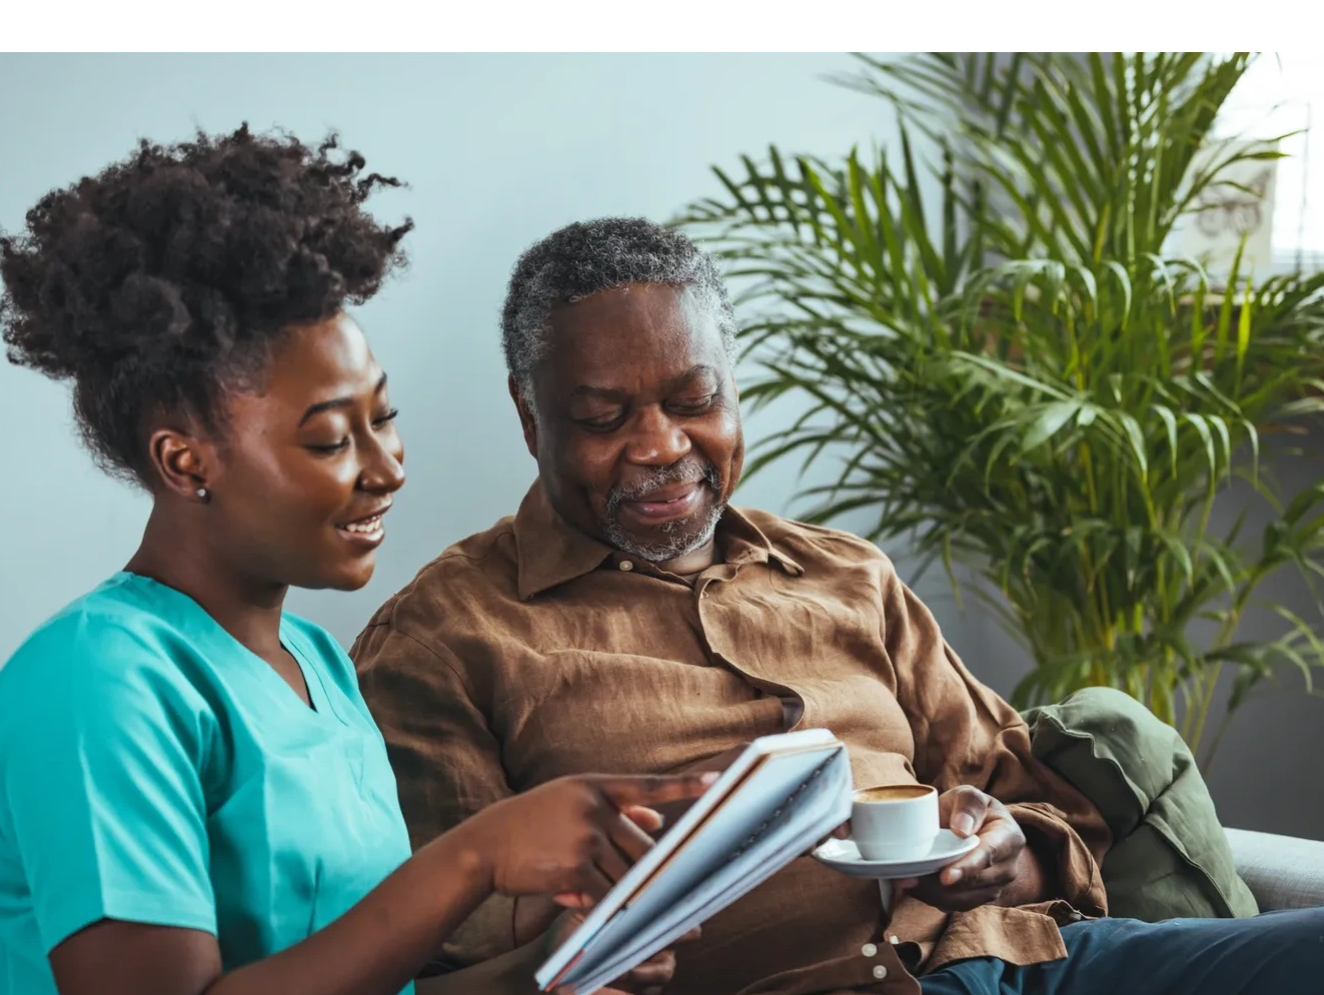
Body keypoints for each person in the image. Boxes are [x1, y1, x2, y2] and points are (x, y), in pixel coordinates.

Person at [352, 217, 1324, 995]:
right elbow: (452, 943)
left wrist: (1003, 852)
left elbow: (1032, 802)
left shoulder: (845, 574)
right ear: (530, 416)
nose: (660, 445)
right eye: (604, 418)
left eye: (695, 397)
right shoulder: (446, 638)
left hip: (1034, 962)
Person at [0, 133, 712, 995]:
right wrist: (477, 855)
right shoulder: (98, 677)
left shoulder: (321, 666)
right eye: (332, 438)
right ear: (187, 463)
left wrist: (564, 968)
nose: (388, 467)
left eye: (385, 417)